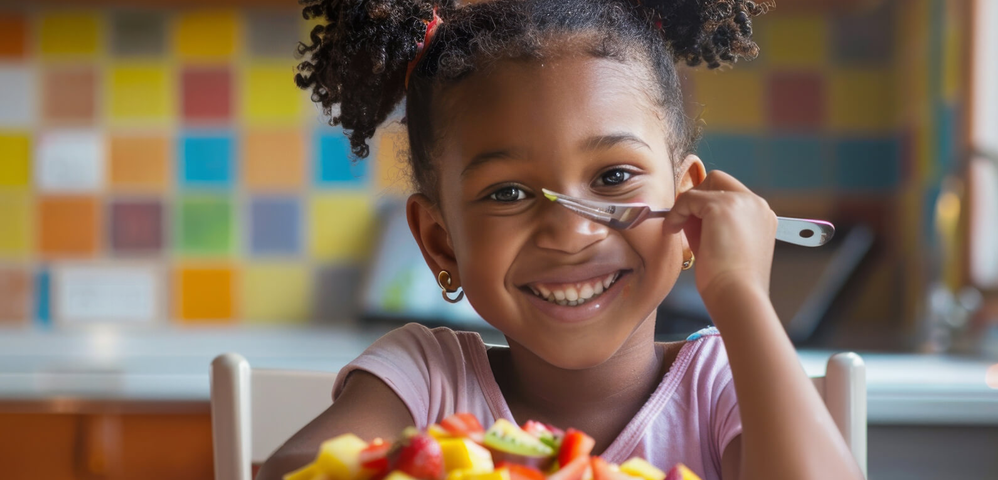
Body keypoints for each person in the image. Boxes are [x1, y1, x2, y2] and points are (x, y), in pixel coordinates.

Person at [258, 0, 864, 479]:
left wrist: (740, 295)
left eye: (614, 178)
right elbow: (296, 473)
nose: (572, 233)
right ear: (442, 244)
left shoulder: (722, 383)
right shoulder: (424, 379)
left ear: (686, 209)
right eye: (507, 193)